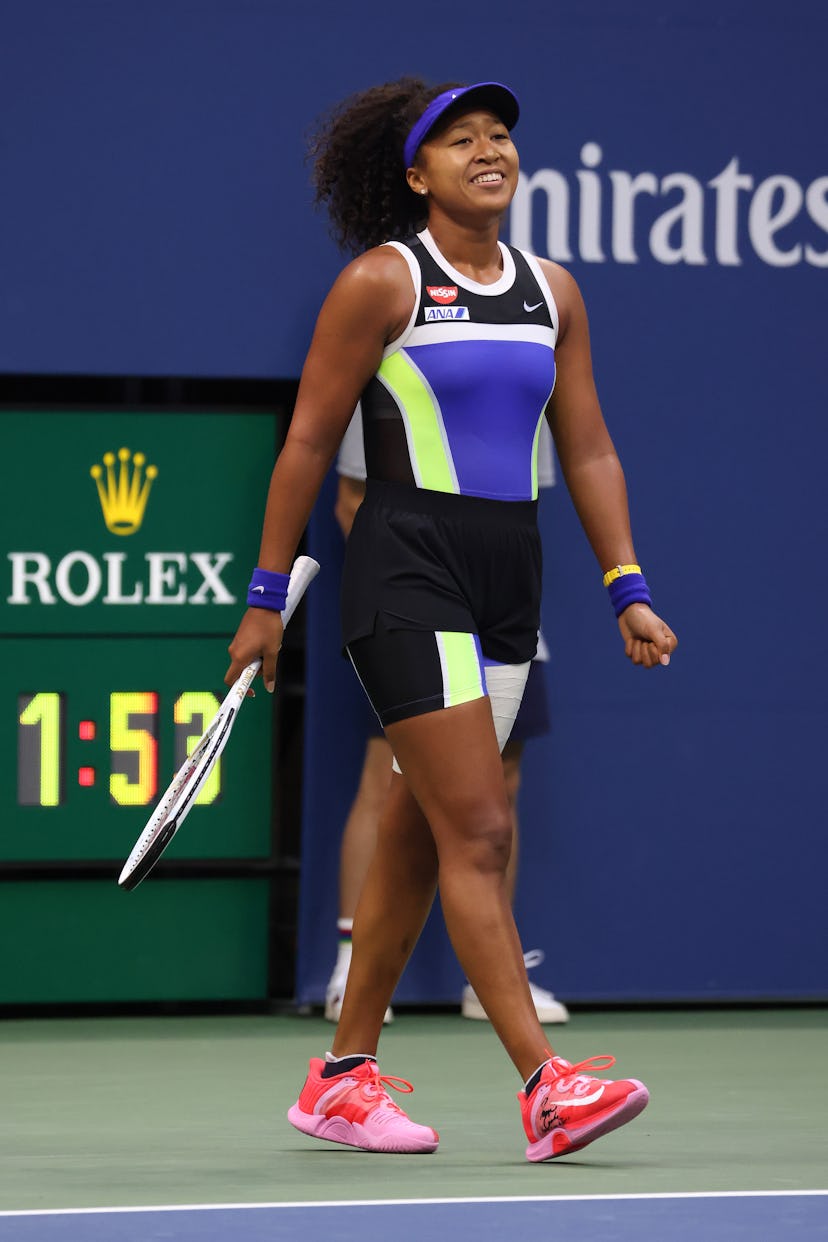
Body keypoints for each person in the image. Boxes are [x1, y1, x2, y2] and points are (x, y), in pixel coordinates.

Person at [225, 77, 677, 1162]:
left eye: (502, 137)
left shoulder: (553, 291)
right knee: (480, 827)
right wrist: (265, 596)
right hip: (405, 563)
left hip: (506, 573)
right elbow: (304, 443)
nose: (490, 151)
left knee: (424, 840)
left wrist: (627, 583)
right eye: (460, 140)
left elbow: (590, 448)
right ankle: (546, 1086)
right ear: (416, 176)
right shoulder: (383, 282)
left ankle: (341, 1079)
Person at [325, 410, 569, 1026]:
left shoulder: (530, 368)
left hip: (504, 611)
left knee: (498, 787)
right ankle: (350, 967)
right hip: (412, 609)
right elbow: (350, 502)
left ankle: (487, 978)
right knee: (390, 779)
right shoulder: (397, 371)